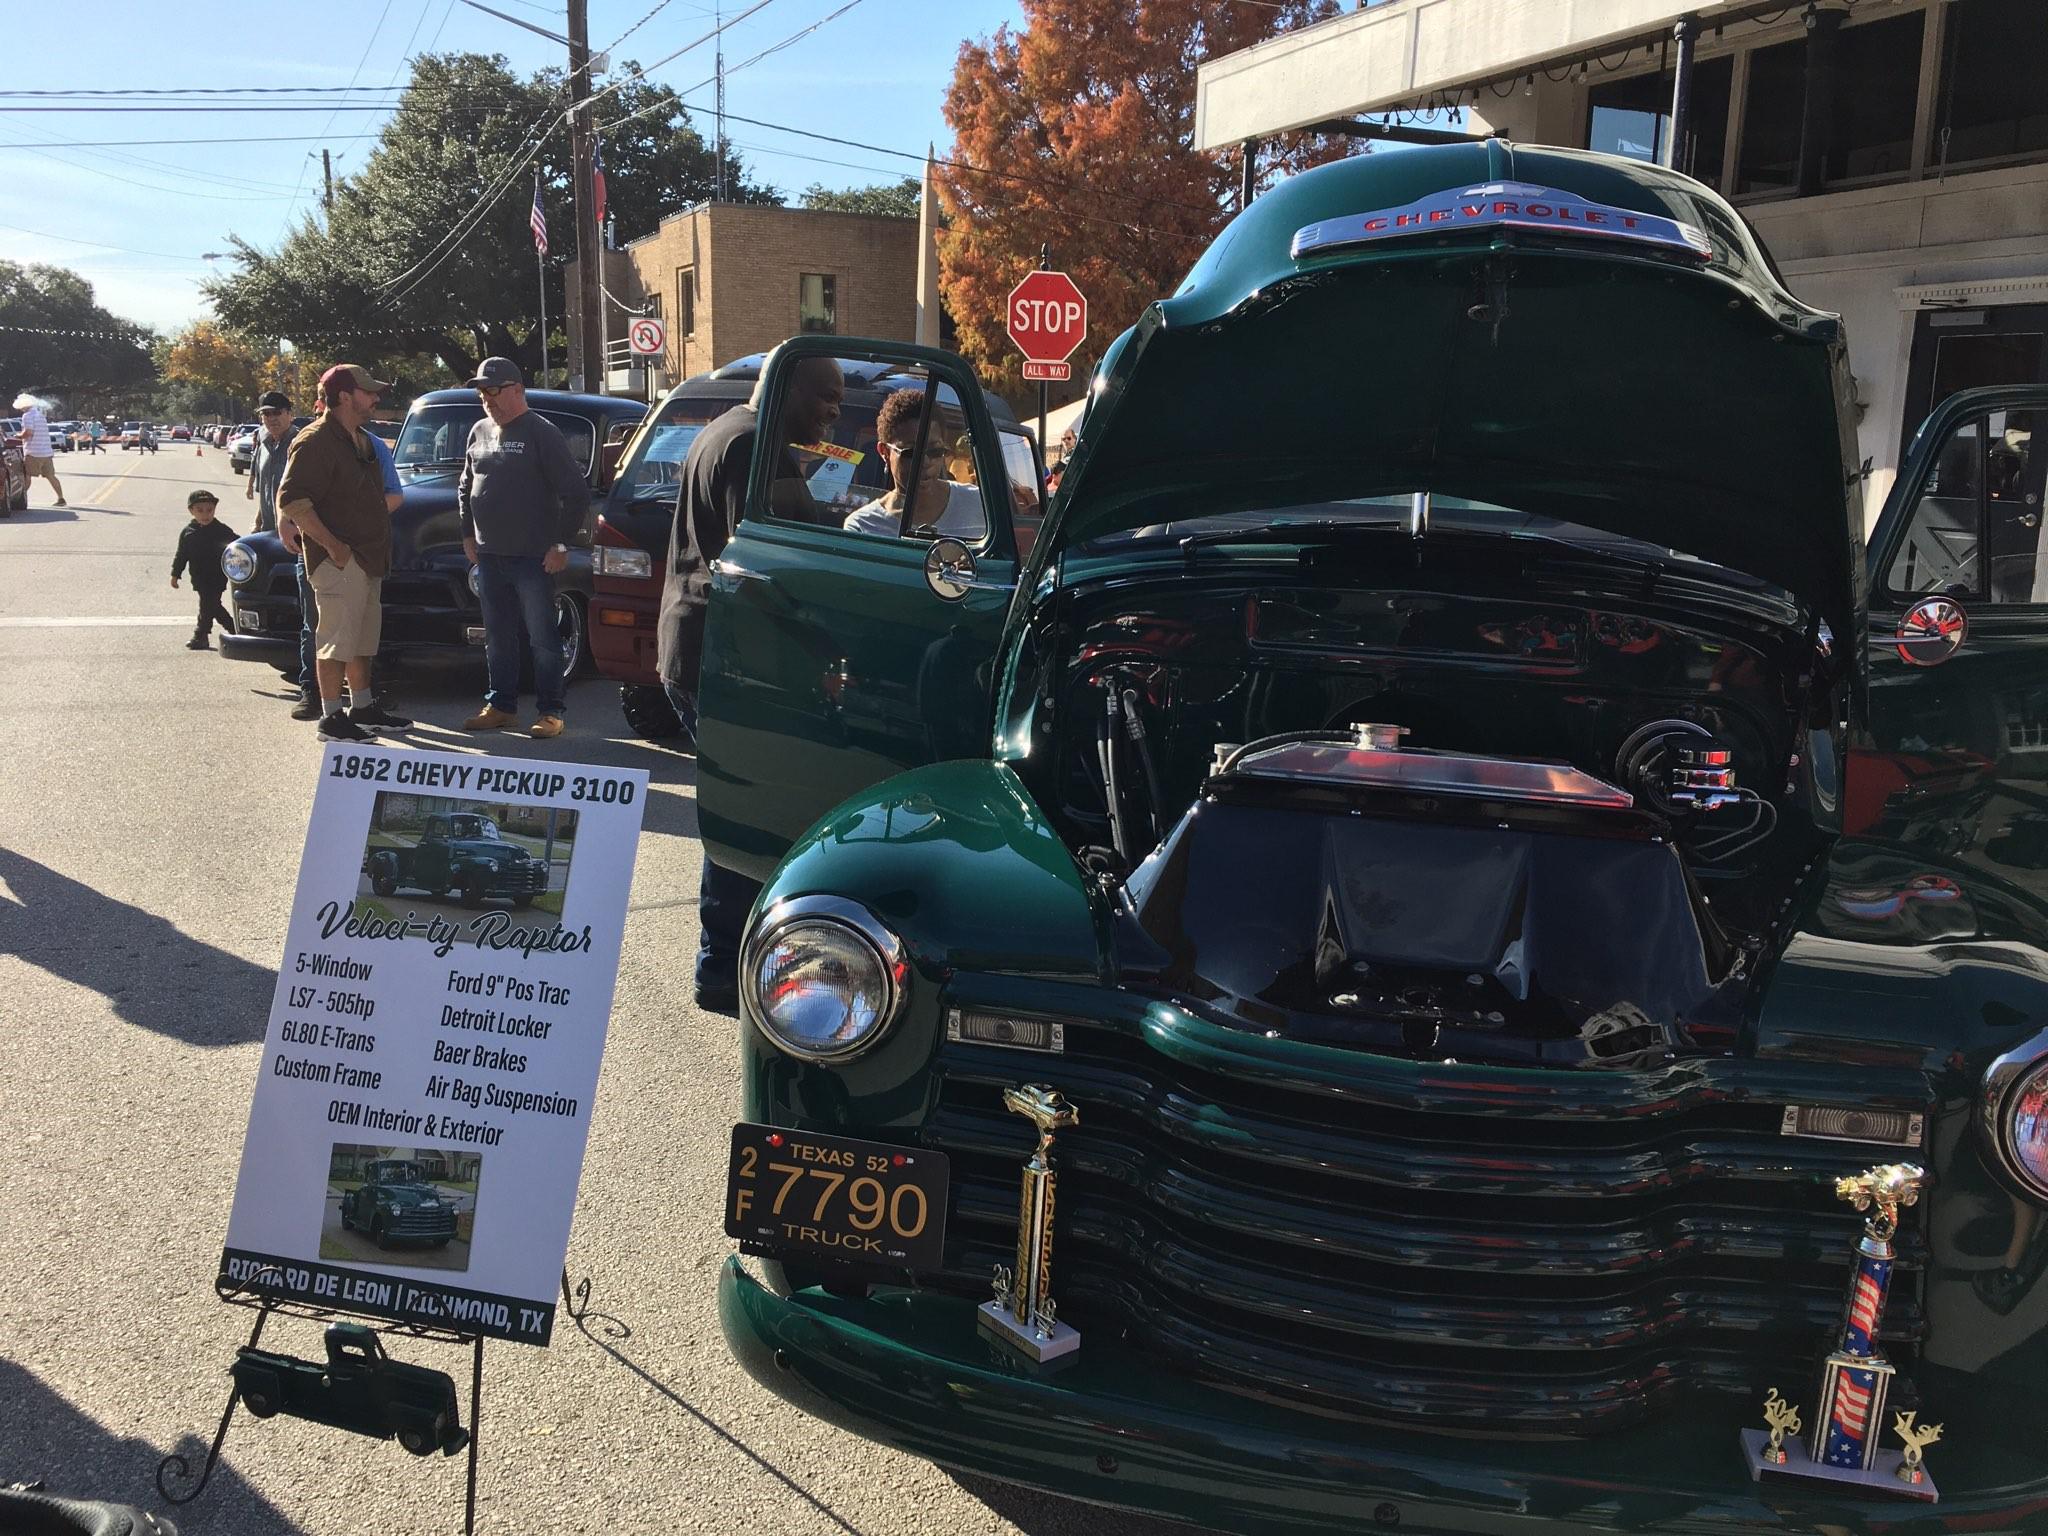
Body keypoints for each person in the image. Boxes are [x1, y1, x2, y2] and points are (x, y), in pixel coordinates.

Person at [658, 354, 843, 1011]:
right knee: (746, 813)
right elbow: (767, 571)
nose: (835, 411)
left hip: (697, 646)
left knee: (737, 805)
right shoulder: (754, 446)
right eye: (827, 395)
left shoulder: (725, 430)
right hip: (728, 659)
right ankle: (723, 968)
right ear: (790, 387)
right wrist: (821, 651)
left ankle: (729, 959)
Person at [275, 364, 411, 742]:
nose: (375, 398)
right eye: (368, 392)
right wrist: (333, 547)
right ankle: (331, 717)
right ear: (345, 397)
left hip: (367, 558)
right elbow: (293, 500)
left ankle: (362, 707)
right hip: (339, 561)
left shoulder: (360, 439)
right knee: (335, 641)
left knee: (361, 641)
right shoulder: (315, 440)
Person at [455, 357, 587, 740]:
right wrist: (467, 533)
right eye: (481, 391)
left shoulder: (541, 432)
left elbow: (575, 493)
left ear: (517, 390)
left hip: (533, 556)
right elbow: (466, 487)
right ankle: (501, 706)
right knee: (497, 636)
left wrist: (560, 543)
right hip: (490, 554)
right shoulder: (478, 430)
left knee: (542, 638)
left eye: (493, 390)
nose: (486, 398)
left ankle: (551, 710)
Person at [841, 388, 986, 540]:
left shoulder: (979, 504)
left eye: (935, 451)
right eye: (911, 452)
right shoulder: (862, 526)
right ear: (884, 452)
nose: (925, 462)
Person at [170, 490, 238, 650]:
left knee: (208, 605)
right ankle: (235, 629)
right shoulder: (188, 532)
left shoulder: (221, 530)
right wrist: (175, 574)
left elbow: (239, 545)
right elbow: (181, 554)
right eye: (200, 510)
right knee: (213, 606)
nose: (205, 514)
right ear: (191, 511)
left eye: (209, 510)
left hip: (217, 576)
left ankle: (201, 635)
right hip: (199, 577)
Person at [245, 391, 298, 533]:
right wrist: (257, 523)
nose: (272, 418)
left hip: (297, 532)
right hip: (268, 531)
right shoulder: (264, 447)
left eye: (277, 412)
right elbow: (266, 493)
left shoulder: (301, 444)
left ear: (289, 414)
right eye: (267, 414)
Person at [10, 394, 65, 506]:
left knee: (27, 476)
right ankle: (61, 498)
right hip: (46, 452)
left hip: (33, 452)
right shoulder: (40, 415)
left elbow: (28, 432)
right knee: (51, 476)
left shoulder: (27, 416)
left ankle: (20, 499)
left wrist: (18, 436)